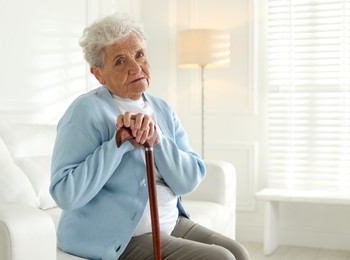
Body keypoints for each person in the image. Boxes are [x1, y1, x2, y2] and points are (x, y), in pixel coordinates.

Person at [50, 13, 250, 260]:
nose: (135, 67)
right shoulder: (84, 111)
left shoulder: (162, 108)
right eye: (120, 61)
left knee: (238, 252)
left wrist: (157, 140)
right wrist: (117, 143)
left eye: (139, 55)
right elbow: (65, 193)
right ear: (99, 74)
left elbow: (188, 180)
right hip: (118, 236)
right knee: (220, 258)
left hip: (169, 223)